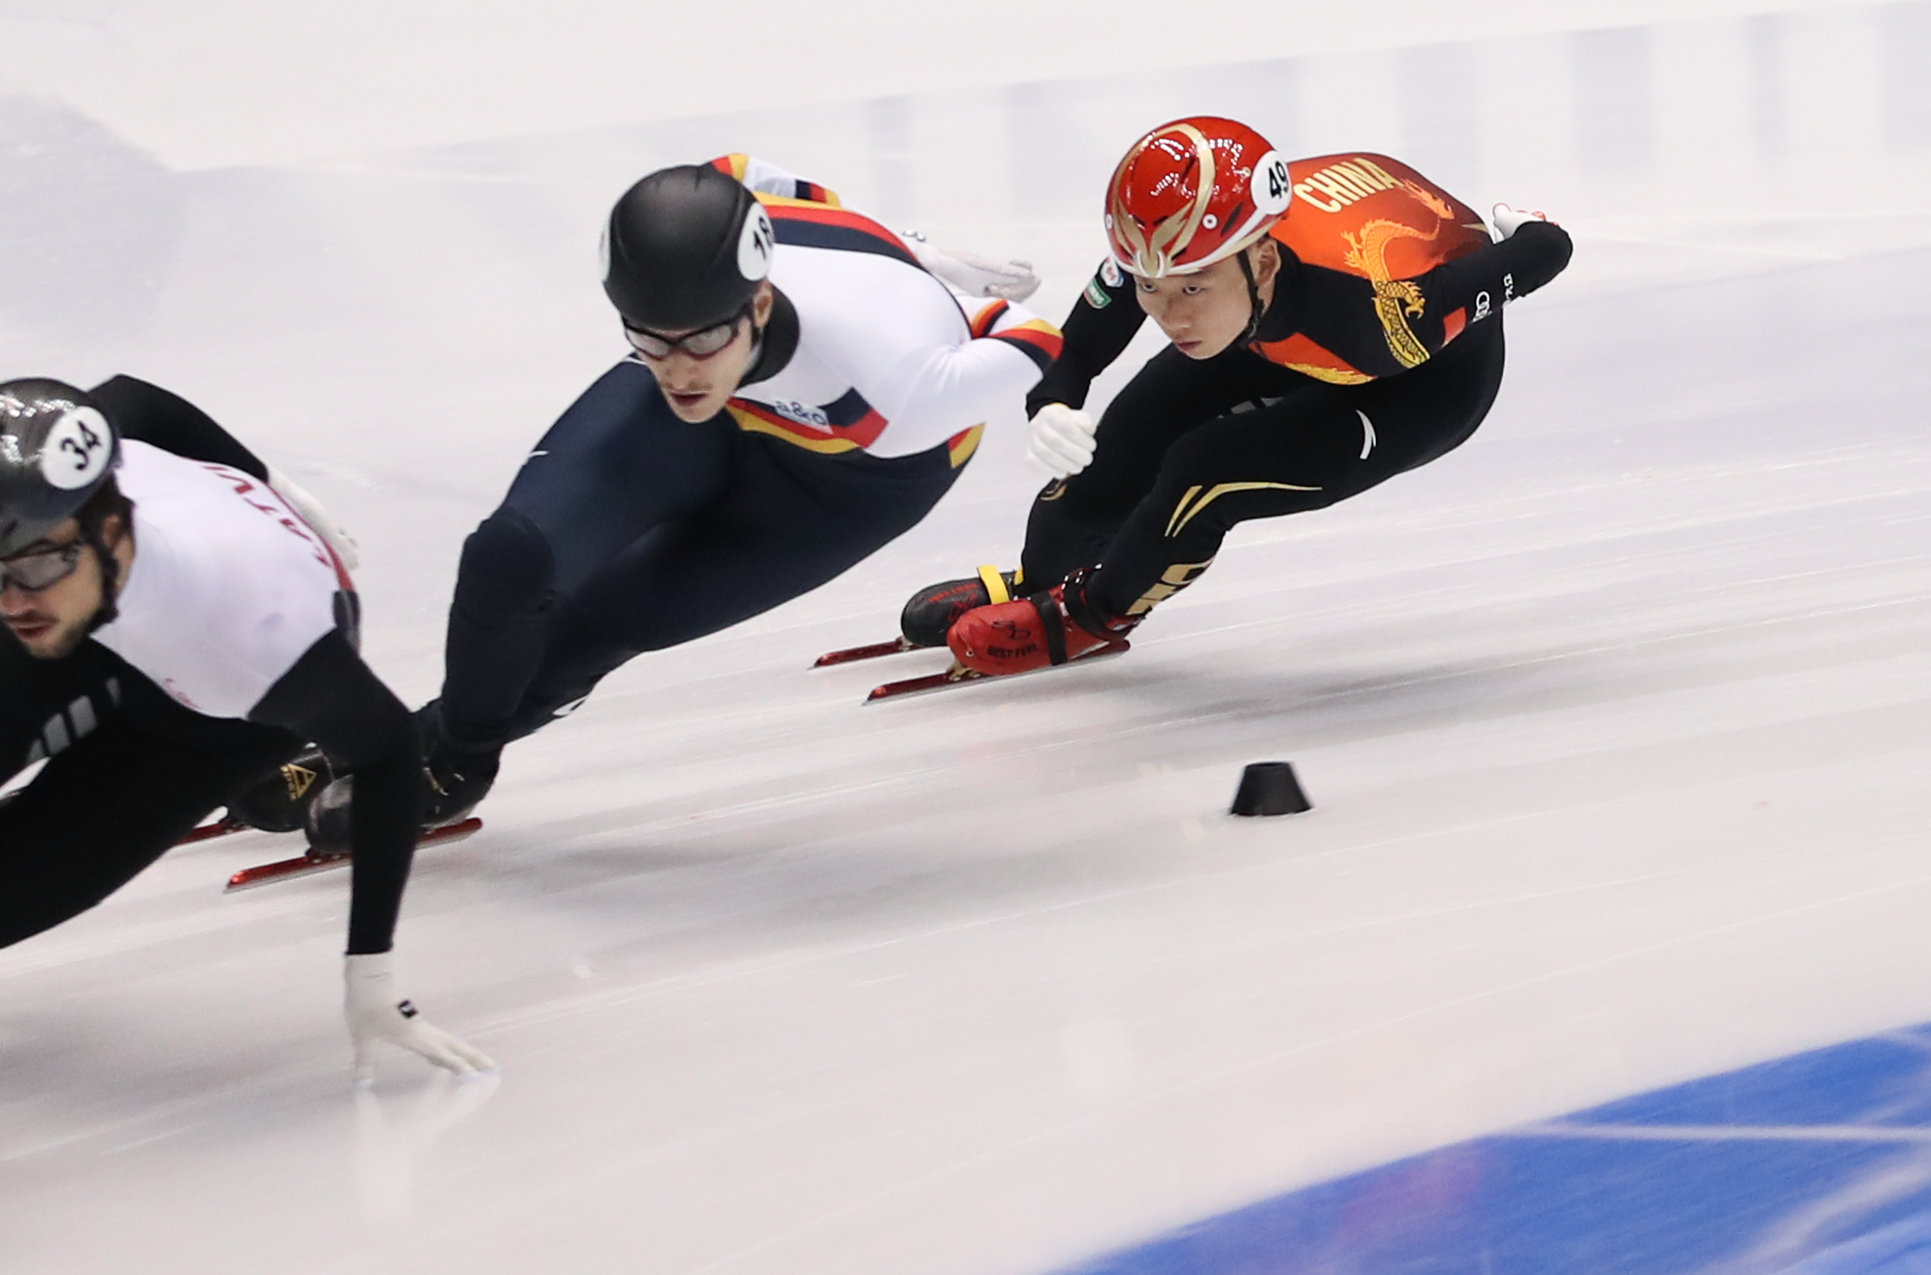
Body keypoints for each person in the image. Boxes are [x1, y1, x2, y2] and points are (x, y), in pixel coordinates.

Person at [403, 154, 1063, 823]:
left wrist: (955, 303)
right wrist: (893, 241)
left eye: (704, 340)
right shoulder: (699, 296)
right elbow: (737, 171)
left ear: (762, 301)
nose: (679, 370)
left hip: (849, 481)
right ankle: (437, 745)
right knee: (510, 554)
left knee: (610, 614)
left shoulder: (894, 385)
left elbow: (1034, 337)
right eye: (649, 339)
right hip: (739, 407)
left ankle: (446, 762)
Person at [897, 117, 1574, 674]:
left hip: (1419, 381)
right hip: (1271, 323)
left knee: (1207, 469)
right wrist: (1048, 403)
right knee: (1111, 454)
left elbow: (1544, 251)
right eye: (1148, 287)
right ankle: (1039, 578)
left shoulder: (1378, 320)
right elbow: (1077, 344)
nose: (1168, 314)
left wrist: (1531, 232)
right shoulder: (1171, 240)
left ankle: (1092, 614)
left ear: (1264, 260)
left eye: (1192, 288)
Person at [0, 375, 490, 1081]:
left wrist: (371, 975)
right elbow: (130, 398)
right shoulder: (60, 507)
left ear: (113, 529)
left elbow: (388, 749)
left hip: (205, 725)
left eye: (38, 560)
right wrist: (272, 480)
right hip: (103, 618)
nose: (13, 597)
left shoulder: (253, 637)